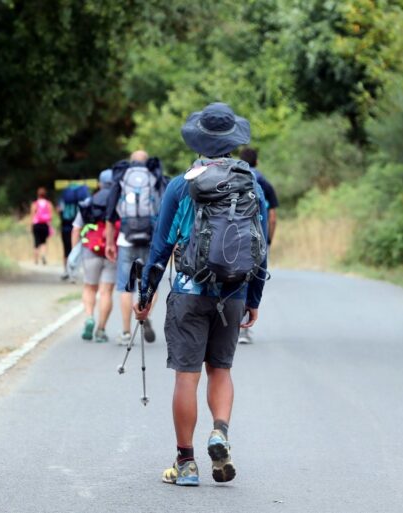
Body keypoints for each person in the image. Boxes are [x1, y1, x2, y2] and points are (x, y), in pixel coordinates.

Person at [134, 103, 268, 486]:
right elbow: (261, 247)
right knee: (221, 370)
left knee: (186, 377)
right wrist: (253, 298)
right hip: (235, 291)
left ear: (199, 140)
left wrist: (145, 294)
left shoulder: (182, 184)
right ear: (232, 142)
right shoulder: (251, 184)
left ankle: (186, 464)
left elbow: (160, 246)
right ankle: (220, 433)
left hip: (189, 292)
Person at [104, 150, 166, 346]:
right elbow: (164, 210)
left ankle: (125, 332)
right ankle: (144, 311)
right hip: (150, 239)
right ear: (147, 162)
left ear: (131, 162)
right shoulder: (155, 177)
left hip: (126, 239)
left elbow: (110, 214)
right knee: (151, 284)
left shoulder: (122, 178)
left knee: (125, 286)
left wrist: (109, 242)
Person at [238, 147, 279, 344]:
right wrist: (268, 239)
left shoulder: (230, 177)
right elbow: (272, 217)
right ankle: (243, 329)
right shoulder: (263, 183)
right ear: (257, 162)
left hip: (230, 238)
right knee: (250, 277)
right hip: (255, 236)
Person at [71, 170, 118, 343]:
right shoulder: (118, 202)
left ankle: (90, 317)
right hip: (112, 251)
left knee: (90, 287)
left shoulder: (89, 202)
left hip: (90, 250)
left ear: (99, 184)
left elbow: (76, 228)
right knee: (106, 292)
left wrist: (74, 250)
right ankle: (101, 330)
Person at [58, 183, 89, 280]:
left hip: (66, 226)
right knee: (81, 249)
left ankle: (66, 271)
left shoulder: (64, 197)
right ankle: (77, 272)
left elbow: (59, 209)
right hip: (81, 227)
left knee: (66, 249)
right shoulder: (83, 196)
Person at [30, 187, 54, 265]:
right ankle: (43, 255)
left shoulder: (35, 204)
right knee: (43, 242)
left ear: (38, 194)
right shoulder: (48, 203)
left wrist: (31, 225)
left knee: (36, 242)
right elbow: (51, 216)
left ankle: (35, 260)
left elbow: (32, 215)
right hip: (45, 225)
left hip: (36, 224)